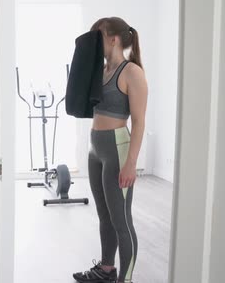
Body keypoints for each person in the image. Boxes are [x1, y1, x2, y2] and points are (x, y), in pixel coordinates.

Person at [73, 17, 148, 283]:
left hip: (117, 147)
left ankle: (125, 279)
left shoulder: (132, 72)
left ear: (113, 38)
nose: (95, 43)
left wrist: (131, 163)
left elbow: (138, 121)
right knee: (104, 215)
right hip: (96, 148)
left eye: (98, 37)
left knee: (121, 220)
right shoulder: (101, 69)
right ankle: (106, 271)